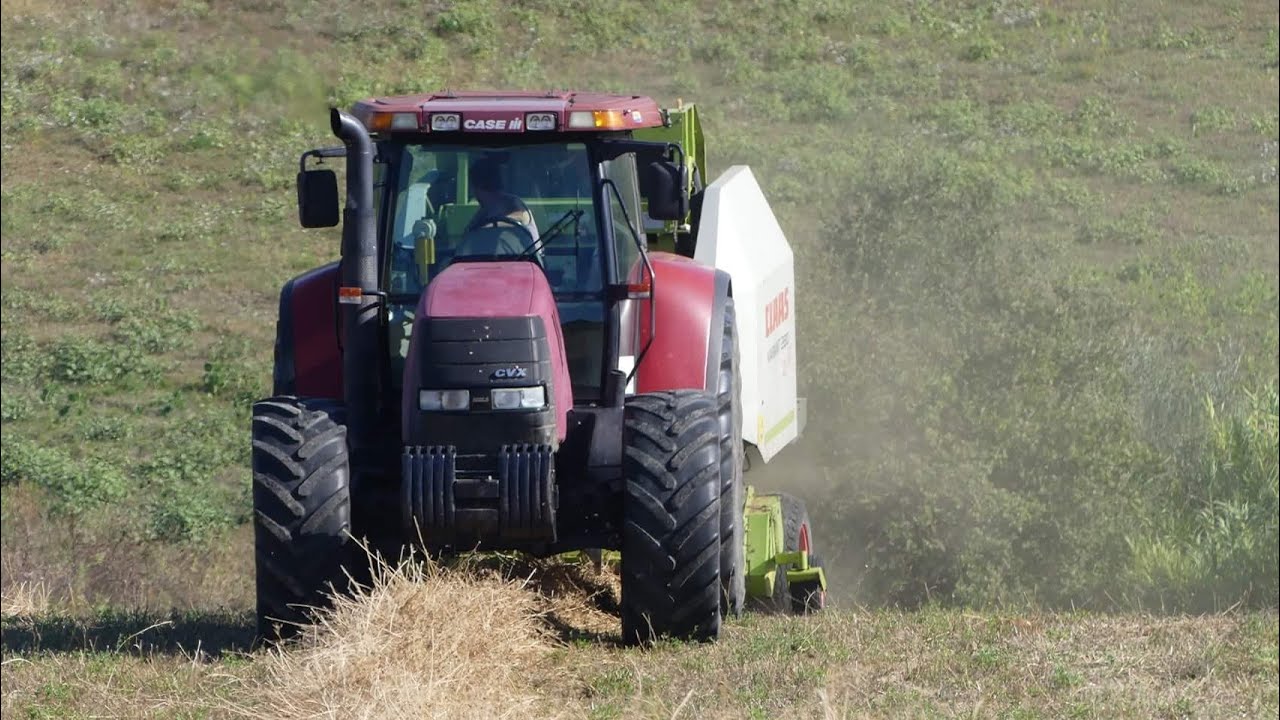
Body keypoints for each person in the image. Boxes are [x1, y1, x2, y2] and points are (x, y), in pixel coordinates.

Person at [464, 156, 540, 243]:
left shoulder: (513, 203)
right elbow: (468, 235)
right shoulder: (483, 213)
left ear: (478, 187)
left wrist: (487, 229)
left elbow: (518, 217)